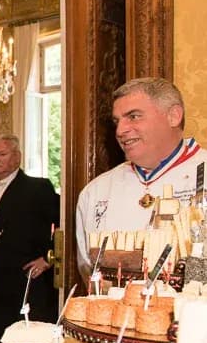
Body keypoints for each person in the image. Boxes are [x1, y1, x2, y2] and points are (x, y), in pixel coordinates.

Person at [76, 77, 207, 277]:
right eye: (117, 121)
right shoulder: (96, 191)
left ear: (173, 116)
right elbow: (89, 274)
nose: (120, 130)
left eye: (134, 116)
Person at [0, 134, 59, 343]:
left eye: (2, 154)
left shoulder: (38, 188)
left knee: (29, 342)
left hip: (29, 279)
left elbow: (64, 225)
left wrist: (49, 258)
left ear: (17, 157)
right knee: (1, 339)